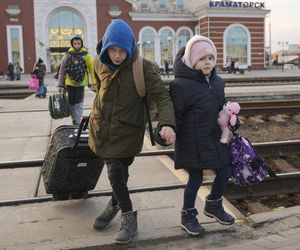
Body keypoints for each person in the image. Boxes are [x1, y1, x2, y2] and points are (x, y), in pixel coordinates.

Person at [88, 19, 176, 244]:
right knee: (115, 172)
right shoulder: (99, 62)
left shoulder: (143, 68)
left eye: (122, 50)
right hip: (102, 129)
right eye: (113, 49)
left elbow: (163, 97)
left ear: (130, 48)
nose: (117, 55)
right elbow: (99, 90)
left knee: (121, 173)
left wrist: (167, 123)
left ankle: (112, 205)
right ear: (106, 47)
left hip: (128, 132)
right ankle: (128, 217)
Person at [169, 35, 236, 237]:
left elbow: (221, 106)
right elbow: (174, 115)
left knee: (225, 171)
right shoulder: (180, 85)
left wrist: (232, 117)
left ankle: (213, 204)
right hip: (192, 141)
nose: (207, 62)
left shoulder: (218, 82)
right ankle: (188, 215)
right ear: (192, 60)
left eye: (211, 58)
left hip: (214, 137)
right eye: (202, 58)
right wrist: (167, 130)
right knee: (195, 178)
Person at [57, 34, 96, 125]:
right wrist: (60, 85)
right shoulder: (67, 55)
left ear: (81, 44)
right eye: (75, 43)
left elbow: (92, 70)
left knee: (79, 102)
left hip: (81, 83)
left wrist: (94, 82)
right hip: (69, 83)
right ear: (72, 44)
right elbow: (62, 70)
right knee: (71, 102)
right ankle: (75, 119)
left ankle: (77, 120)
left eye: (78, 43)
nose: (77, 45)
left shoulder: (86, 55)